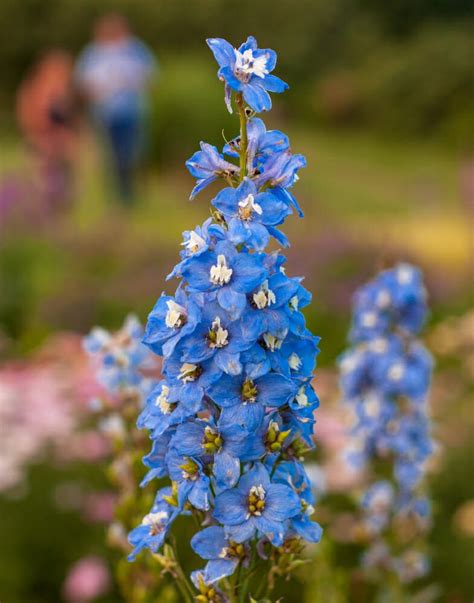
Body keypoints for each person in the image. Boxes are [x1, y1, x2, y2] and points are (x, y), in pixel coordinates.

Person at [75, 14, 157, 203]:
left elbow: (151, 77)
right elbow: (82, 84)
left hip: (132, 112)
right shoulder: (93, 53)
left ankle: (131, 194)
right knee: (111, 157)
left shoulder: (136, 50)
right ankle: (117, 196)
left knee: (132, 153)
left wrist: (129, 82)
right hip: (105, 114)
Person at [16, 51, 78, 210]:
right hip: (44, 137)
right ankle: (45, 208)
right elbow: (33, 116)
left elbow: (67, 118)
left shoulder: (62, 90)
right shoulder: (37, 89)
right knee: (45, 175)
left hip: (60, 138)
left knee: (64, 174)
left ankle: (59, 206)